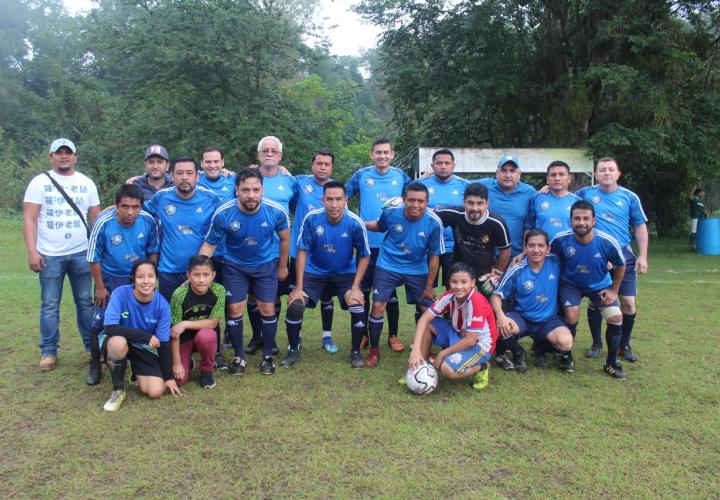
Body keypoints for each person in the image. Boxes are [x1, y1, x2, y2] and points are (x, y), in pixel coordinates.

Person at [200, 168, 290, 375]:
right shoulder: (224, 213)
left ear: (262, 190)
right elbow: (209, 245)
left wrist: (283, 266)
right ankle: (239, 357)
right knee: (235, 309)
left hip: (266, 265)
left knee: (267, 309)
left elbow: (285, 239)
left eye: (256, 190)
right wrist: (196, 271)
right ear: (236, 190)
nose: (251, 195)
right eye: (246, 190)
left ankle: (268, 356)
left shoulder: (275, 211)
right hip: (234, 266)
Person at [23, 138, 101, 371]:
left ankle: (91, 348)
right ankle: (48, 351)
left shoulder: (86, 183)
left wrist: (97, 252)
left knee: (85, 303)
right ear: (51, 157)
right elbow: (29, 218)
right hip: (49, 255)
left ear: (75, 157)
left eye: (69, 153)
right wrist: (32, 250)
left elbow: (95, 221)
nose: (64, 156)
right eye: (59, 153)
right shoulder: (39, 182)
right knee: (49, 304)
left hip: (81, 253)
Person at [284, 181, 371, 368]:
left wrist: (356, 287)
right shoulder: (311, 219)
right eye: (329, 199)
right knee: (295, 305)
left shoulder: (355, 222)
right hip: (314, 273)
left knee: (357, 304)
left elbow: (364, 256)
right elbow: (301, 252)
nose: (334, 204)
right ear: (322, 200)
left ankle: (355, 351)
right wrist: (298, 288)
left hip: (344, 274)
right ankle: (293, 348)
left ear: (346, 200)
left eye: (339, 199)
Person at [363, 182, 444, 367]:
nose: (416, 205)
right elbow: (380, 226)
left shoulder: (434, 222)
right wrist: (361, 223)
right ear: (403, 200)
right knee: (377, 305)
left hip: (417, 268)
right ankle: (374, 350)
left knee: (426, 308)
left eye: (421, 201)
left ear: (427, 202)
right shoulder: (391, 212)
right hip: (388, 263)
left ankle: (426, 348)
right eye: (411, 200)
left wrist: (430, 286)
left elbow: (434, 257)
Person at [85, 184, 159, 385]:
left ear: (141, 206)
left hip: (136, 279)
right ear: (116, 205)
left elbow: (153, 250)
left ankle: (139, 364)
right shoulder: (103, 223)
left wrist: (149, 278)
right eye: (125, 206)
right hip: (110, 279)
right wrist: (100, 287)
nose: (130, 212)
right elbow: (93, 258)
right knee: (99, 322)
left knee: (138, 320)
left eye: (135, 207)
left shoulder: (147, 221)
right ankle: (95, 363)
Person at [576, 157, 648, 362]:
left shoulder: (629, 197)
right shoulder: (585, 194)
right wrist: (546, 189)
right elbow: (563, 199)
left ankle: (625, 344)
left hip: (623, 255)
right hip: (596, 255)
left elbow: (640, 226)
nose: (607, 173)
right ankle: (596, 343)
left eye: (611, 169)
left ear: (618, 173)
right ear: (596, 174)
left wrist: (643, 255)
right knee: (597, 300)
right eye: (602, 170)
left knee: (628, 302)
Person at [346, 139, 412, 352]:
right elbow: (343, 196)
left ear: (392, 154)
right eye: (378, 153)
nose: (382, 156)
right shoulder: (361, 175)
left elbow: (416, 196)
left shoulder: (401, 176)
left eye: (386, 152)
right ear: (371, 154)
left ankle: (392, 335)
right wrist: (352, 221)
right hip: (366, 243)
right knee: (363, 291)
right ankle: (363, 334)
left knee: (390, 293)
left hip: (391, 244)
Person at [550, 201, 628, 380]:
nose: (581, 222)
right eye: (577, 218)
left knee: (616, 318)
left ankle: (611, 362)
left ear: (594, 220)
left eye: (586, 218)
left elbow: (620, 265)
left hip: (599, 286)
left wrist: (614, 290)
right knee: (571, 316)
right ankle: (566, 357)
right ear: (571, 220)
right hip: (570, 284)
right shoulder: (560, 239)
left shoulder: (607, 241)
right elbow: (547, 257)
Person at [100, 259, 181, 411]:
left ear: (156, 279)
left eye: (150, 276)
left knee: (155, 391)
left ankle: (134, 370)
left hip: (141, 347)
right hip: (119, 339)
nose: (146, 281)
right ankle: (118, 390)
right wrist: (145, 336)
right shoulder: (120, 293)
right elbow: (109, 327)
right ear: (133, 278)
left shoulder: (162, 305)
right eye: (140, 276)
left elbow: (163, 344)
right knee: (118, 343)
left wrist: (169, 378)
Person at [490, 229, 574, 373]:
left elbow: (578, 255)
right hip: (522, 317)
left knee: (566, 342)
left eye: (541, 246)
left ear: (548, 249)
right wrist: (501, 316)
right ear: (526, 247)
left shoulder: (556, 261)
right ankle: (516, 352)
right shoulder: (517, 269)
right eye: (531, 245)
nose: (536, 250)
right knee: (499, 328)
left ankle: (542, 347)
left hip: (548, 320)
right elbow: (496, 295)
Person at [243, 136, 298, 356]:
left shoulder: (289, 181)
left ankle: (270, 339)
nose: (269, 153)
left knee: (272, 296)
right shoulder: (249, 178)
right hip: (251, 248)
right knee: (252, 296)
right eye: (265, 150)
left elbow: (295, 206)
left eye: (273, 151)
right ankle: (257, 336)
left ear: (280, 156)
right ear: (258, 155)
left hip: (279, 250)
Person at [407, 262, 497, 390]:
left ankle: (482, 366)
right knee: (427, 324)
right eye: (454, 282)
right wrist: (415, 350)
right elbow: (424, 319)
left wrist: (443, 353)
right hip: (459, 334)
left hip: (479, 345)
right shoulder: (449, 295)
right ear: (449, 282)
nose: (459, 287)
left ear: (472, 282)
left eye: (464, 282)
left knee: (447, 369)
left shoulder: (476, 302)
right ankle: (418, 370)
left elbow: (471, 340)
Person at [143, 156, 220, 302]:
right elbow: (137, 210)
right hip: (168, 271)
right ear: (172, 176)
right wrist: (114, 208)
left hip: (200, 272)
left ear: (197, 176)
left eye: (189, 173)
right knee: (169, 318)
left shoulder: (211, 199)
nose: (184, 177)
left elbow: (224, 223)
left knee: (198, 317)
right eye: (179, 173)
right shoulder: (161, 198)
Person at [290, 149, 339, 353]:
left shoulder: (335, 189)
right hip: (299, 252)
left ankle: (326, 336)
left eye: (327, 164)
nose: (322, 167)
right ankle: (297, 337)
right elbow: (288, 199)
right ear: (312, 165)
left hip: (326, 254)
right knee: (297, 296)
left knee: (327, 298)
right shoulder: (299, 182)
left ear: (331, 167)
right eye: (319, 163)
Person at [434, 183, 511, 296]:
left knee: (487, 306)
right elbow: (428, 214)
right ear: (464, 202)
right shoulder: (454, 214)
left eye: (480, 203)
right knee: (454, 305)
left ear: (487, 203)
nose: (475, 208)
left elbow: (506, 250)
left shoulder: (496, 222)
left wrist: (497, 273)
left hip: (485, 272)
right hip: (459, 270)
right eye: (470, 203)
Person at [170, 255, 226, 389]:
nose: (201, 280)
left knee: (207, 336)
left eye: (206, 275)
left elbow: (213, 323)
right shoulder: (179, 294)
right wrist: (177, 363)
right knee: (179, 381)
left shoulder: (219, 291)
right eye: (196, 275)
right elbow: (174, 331)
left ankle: (207, 370)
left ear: (213, 275)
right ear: (188, 275)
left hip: (205, 335)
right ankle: (187, 361)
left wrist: (185, 324)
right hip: (184, 338)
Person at [418, 149, 469, 288]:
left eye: (447, 163)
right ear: (432, 165)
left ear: (454, 165)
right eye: (439, 163)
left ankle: (451, 311)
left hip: (453, 247)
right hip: (426, 246)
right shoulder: (421, 183)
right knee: (425, 288)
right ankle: (422, 311)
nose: (443, 166)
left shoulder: (464, 185)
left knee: (454, 288)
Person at [473, 155, 536, 257]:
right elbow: (459, 186)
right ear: (497, 173)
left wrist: (546, 190)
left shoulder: (530, 192)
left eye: (512, 171)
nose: (508, 175)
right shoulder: (484, 185)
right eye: (503, 170)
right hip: (486, 253)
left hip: (516, 255)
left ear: (519, 174)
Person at [526, 161, 580, 240]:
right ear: (547, 179)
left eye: (561, 174)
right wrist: (526, 249)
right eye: (553, 175)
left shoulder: (578, 202)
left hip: (569, 250)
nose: (557, 178)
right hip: (542, 250)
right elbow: (528, 227)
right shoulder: (535, 199)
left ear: (569, 178)